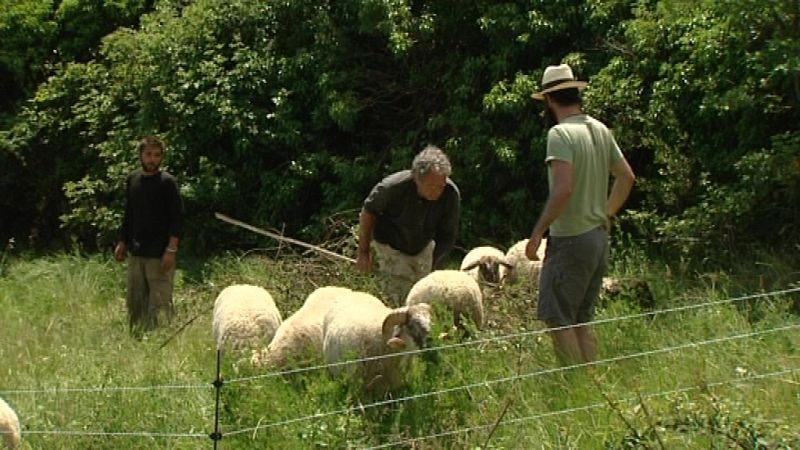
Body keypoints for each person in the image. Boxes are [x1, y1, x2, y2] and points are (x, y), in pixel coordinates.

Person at [525, 64, 635, 365]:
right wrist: (606, 214)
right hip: (598, 238)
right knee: (581, 319)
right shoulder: (600, 129)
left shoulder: (560, 134)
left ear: (549, 100)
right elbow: (626, 177)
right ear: (576, 93)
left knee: (558, 319)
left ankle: (574, 384)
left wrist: (537, 233)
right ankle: (589, 386)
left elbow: (563, 190)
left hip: (570, 238)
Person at [357, 145, 461, 304]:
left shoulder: (450, 194)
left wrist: (436, 267)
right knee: (399, 296)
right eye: (431, 186)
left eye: (440, 186)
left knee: (425, 296)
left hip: (423, 246)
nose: (437, 191)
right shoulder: (391, 187)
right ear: (417, 179)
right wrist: (363, 252)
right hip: (390, 246)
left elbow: (447, 235)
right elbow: (368, 211)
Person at [114, 136, 184, 334]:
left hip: (160, 253)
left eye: (156, 155)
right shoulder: (133, 180)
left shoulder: (168, 182)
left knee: (160, 301)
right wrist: (122, 242)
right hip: (137, 251)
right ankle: (136, 335)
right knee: (135, 300)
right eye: (148, 155)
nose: (152, 159)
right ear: (140, 156)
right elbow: (129, 214)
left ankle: (159, 337)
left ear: (161, 157)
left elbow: (177, 219)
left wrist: (171, 250)